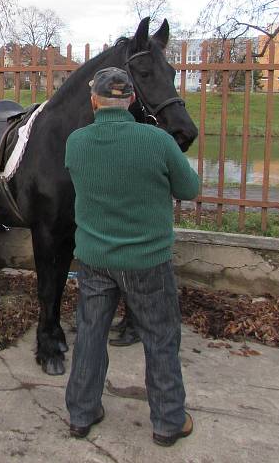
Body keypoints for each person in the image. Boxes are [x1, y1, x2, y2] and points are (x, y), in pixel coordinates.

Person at [64, 66, 199, 447]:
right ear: (133, 100)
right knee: (160, 338)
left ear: (94, 100)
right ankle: (169, 421)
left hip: (94, 259)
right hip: (147, 261)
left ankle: (81, 413)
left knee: (90, 334)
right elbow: (189, 189)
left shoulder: (76, 142)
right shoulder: (156, 141)